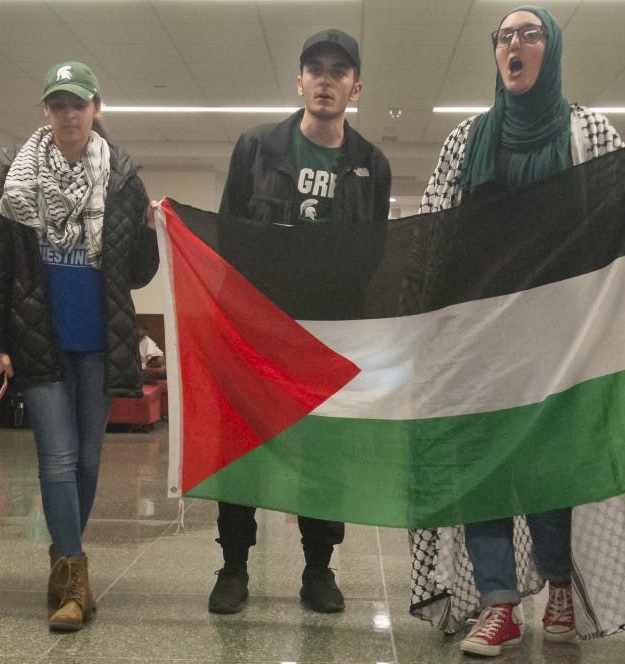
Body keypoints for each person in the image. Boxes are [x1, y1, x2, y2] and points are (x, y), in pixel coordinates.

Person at [407, 6, 625, 656]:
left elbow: (624, 202)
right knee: (480, 471)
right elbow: (432, 227)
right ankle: (499, 604)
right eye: (504, 36)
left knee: (549, 473)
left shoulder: (587, 129)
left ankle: (560, 583)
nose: (514, 44)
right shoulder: (466, 138)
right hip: (478, 342)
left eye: (528, 34)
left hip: (560, 343)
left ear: (551, 48)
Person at [209, 27, 391, 615]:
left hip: (329, 335)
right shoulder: (257, 148)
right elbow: (227, 238)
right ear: (300, 81)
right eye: (316, 69)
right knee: (244, 446)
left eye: (339, 71)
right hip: (258, 331)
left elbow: (374, 253)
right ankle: (234, 565)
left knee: (324, 455)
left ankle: (319, 569)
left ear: (354, 87)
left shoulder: (371, 163)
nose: (326, 80)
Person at [0, 61, 158, 631]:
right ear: (46, 111)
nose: (67, 115)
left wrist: (152, 231)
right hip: (40, 339)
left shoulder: (123, 178)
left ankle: (61, 559)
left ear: (95, 109)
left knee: (87, 460)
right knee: (56, 459)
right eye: (57, 105)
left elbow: (138, 273)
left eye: (77, 104)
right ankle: (76, 578)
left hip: (100, 339)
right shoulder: (15, 177)